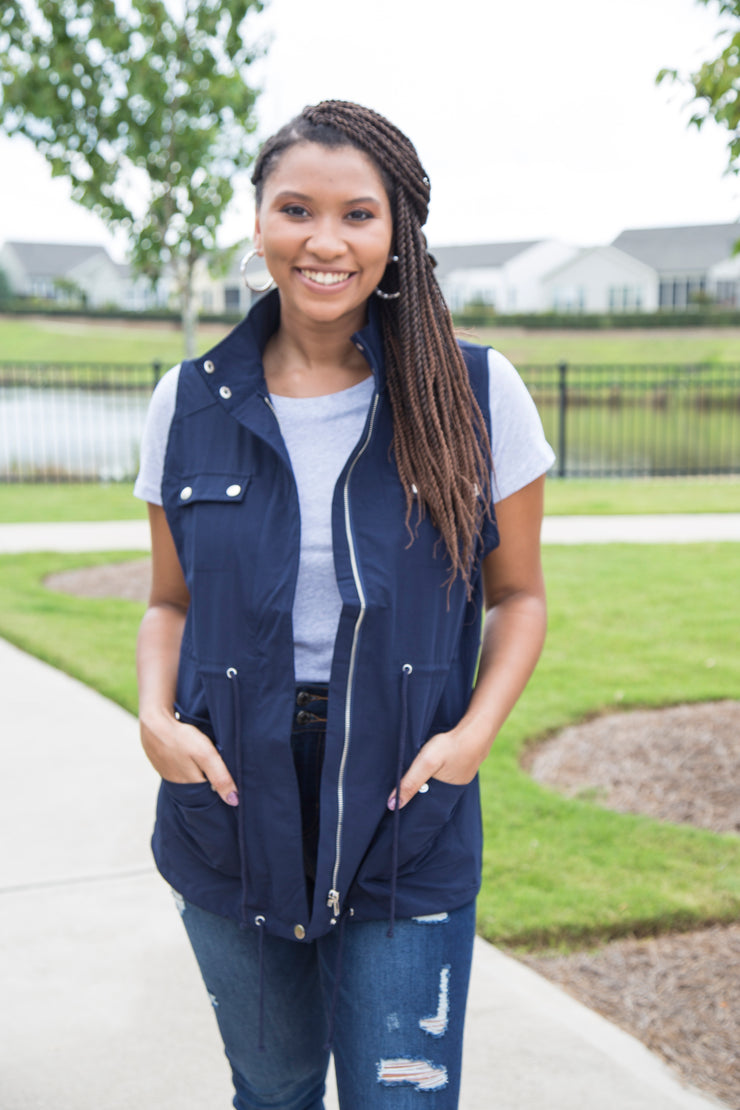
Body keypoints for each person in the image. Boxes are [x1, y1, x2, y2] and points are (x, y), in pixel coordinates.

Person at [134, 100, 554, 1110]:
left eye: (356, 215)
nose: (323, 242)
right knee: (272, 1088)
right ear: (259, 222)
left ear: (396, 232)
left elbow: (520, 597)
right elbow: (166, 602)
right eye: (295, 209)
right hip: (231, 799)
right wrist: (153, 720)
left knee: (397, 1098)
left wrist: (470, 739)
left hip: (406, 801)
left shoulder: (475, 395)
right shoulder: (185, 403)